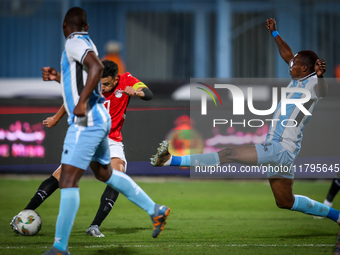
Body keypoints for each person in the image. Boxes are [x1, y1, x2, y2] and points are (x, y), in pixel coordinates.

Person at [151, 18, 340, 227]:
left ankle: (170, 160)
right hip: (284, 149)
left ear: (305, 69)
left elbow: (323, 91)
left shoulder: (314, 83)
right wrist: (275, 34)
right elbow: (287, 54)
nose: (290, 64)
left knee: (228, 154)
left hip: (280, 146)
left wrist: (322, 77)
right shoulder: (299, 77)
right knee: (285, 201)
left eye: (294, 64)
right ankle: (337, 216)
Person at [39, 7, 169, 255]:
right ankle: (156, 210)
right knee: (104, 174)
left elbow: (95, 72)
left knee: (68, 178)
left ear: (65, 25)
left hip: (87, 119)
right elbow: (85, 79)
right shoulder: (88, 41)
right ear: (86, 27)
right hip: (100, 119)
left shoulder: (74, 42)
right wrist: (59, 78)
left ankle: (59, 247)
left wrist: (80, 102)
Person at [10, 60, 154, 237]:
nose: (101, 88)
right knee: (60, 176)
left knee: (118, 178)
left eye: (106, 84)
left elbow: (148, 94)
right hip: (86, 137)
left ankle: (94, 226)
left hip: (111, 140)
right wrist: (56, 118)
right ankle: (21, 215)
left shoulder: (128, 79)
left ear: (116, 79)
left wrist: (137, 93)